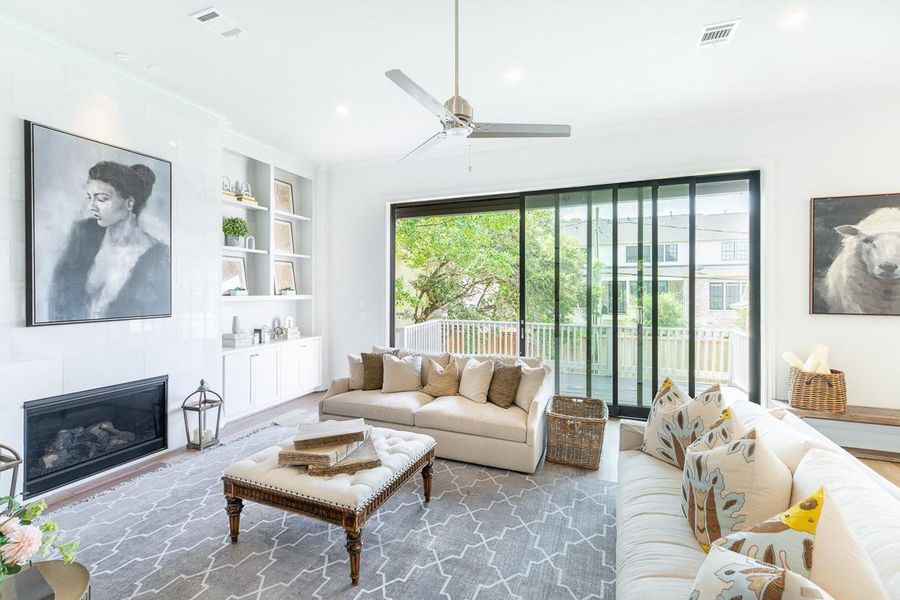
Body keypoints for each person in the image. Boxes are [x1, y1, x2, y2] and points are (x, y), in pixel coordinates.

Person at [49, 161, 170, 322]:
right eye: (89, 198)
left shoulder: (158, 256)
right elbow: (59, 294)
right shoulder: (84, 234)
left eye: (102, 199)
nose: (91, 206)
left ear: (129, 203)